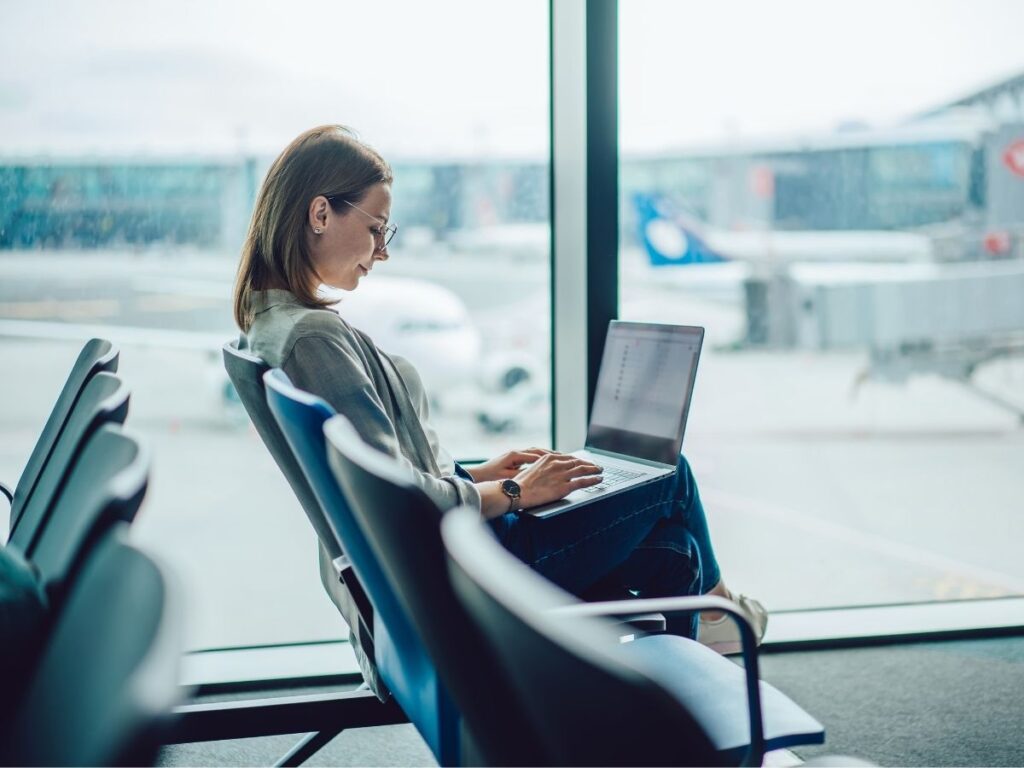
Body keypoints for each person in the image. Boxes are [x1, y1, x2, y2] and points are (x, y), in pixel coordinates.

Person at [233, 125, 766, 652]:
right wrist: (515, 493)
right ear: (321, 213)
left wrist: (481, 473)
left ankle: (663, 704)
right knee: (669, 471)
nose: (382, 251)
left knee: (678, 552)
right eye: (377, 228)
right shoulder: (312, 339)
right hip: (464, 567)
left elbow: (384, 473)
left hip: (444, 560)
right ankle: (722, 613)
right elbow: (397, 503)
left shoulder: (273, 327)